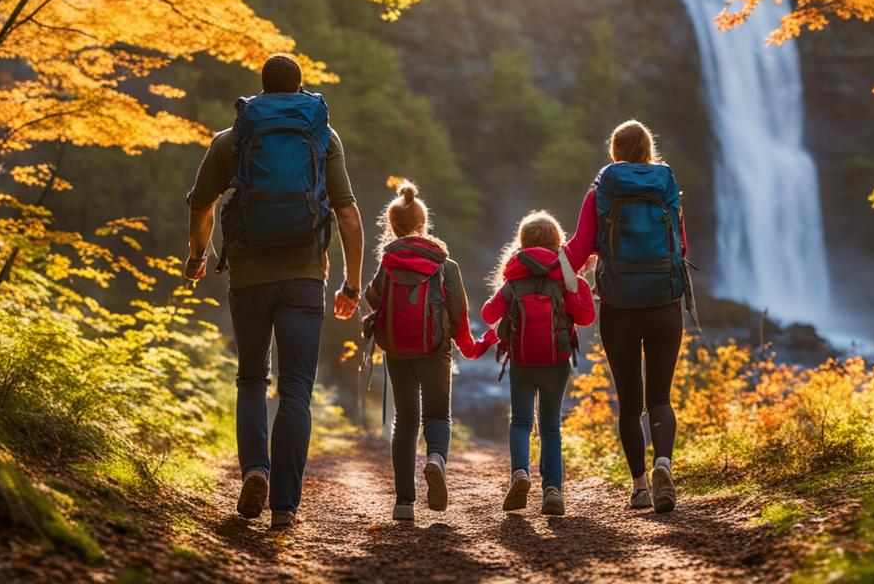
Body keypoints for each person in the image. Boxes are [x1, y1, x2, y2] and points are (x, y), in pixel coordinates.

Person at [184, 53, 365, 530]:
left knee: (250, 379)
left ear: (262, 89)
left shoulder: (233, 138)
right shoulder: (323, 137)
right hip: (306, 277)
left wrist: (198, 253)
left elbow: (201, 204)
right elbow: (347, 213)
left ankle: (255, 471)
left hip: (248, 277)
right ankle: (284, 507)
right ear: (300, 87)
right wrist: (351, 283)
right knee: (297, 389)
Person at [563, 120, 689, 513]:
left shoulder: (601, 192)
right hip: (665, 304)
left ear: (614, 151)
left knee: (630, 404)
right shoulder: (667, 188)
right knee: (660, 399)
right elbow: (681, 246)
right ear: (649, 150)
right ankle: (664, 464)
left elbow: (579, 250)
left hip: (619, 307)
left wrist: (555, 273)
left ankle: (640, 488)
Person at [362, 181, 495, 522]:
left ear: (393, 227)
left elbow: (373, 298)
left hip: (397, 351)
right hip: (436, 349)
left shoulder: (388, 262)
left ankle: (404, 503)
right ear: (424, 224)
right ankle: (436, 459)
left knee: (404, 423)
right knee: (436, 415)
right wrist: (473, 346)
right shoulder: (444, 265)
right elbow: (458, 315)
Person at [482, 211, 596, 516]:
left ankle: (520, 473)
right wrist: (576, 287)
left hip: (521, 362)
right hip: (557, 362)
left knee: (520, 422)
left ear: (522, 242)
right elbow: (586, 317)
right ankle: (553, 492)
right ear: (558, 242)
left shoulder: (513, 277)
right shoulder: (567, 277)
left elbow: (488, 315)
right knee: (550, 427)